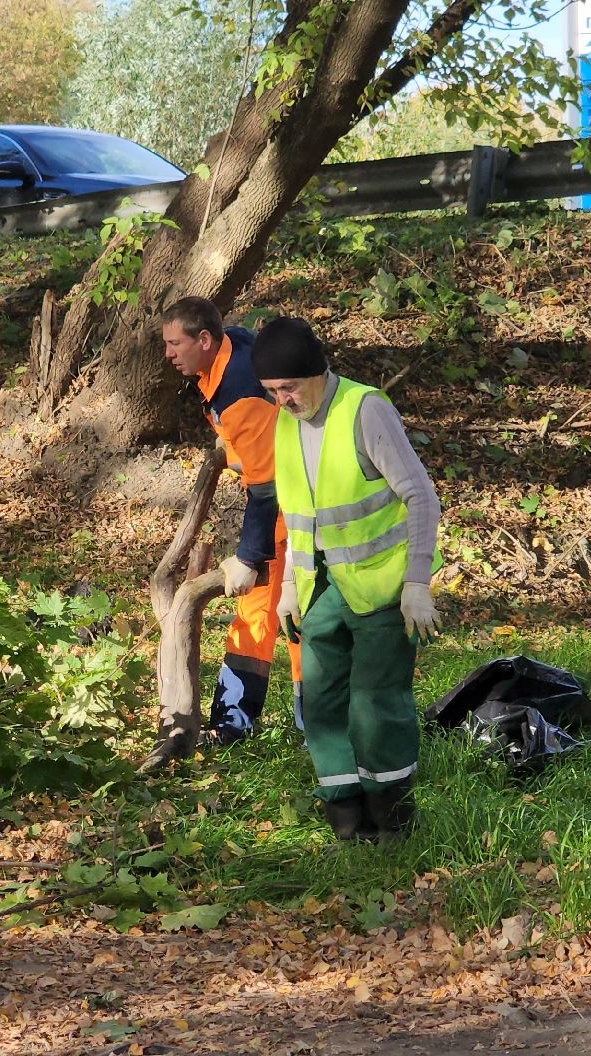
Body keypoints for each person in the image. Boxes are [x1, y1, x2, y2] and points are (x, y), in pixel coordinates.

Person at [253, 317, 442, 843]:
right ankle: (346, 817)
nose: (283, 401)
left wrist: (417, 584)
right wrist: (290, 584)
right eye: (272, 392)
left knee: (375, 703)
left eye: (289, 388)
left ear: (319, 371)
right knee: (321, 701)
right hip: (319, 590)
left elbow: (421, 497)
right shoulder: (284, 421)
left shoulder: (365, 410)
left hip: (382, 588)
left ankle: (394, 821)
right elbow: (297, 512)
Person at [159, 296, 299, 745]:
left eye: (174, 343)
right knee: (255, 617)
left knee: (298, 621)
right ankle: (232, 724)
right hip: (275, 509)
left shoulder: (240, 393)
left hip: (293, 516)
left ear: (204, 339)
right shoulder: (227, 349)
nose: (168, 354)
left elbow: (267, 487)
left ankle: (315, 724)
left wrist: (248, 554)